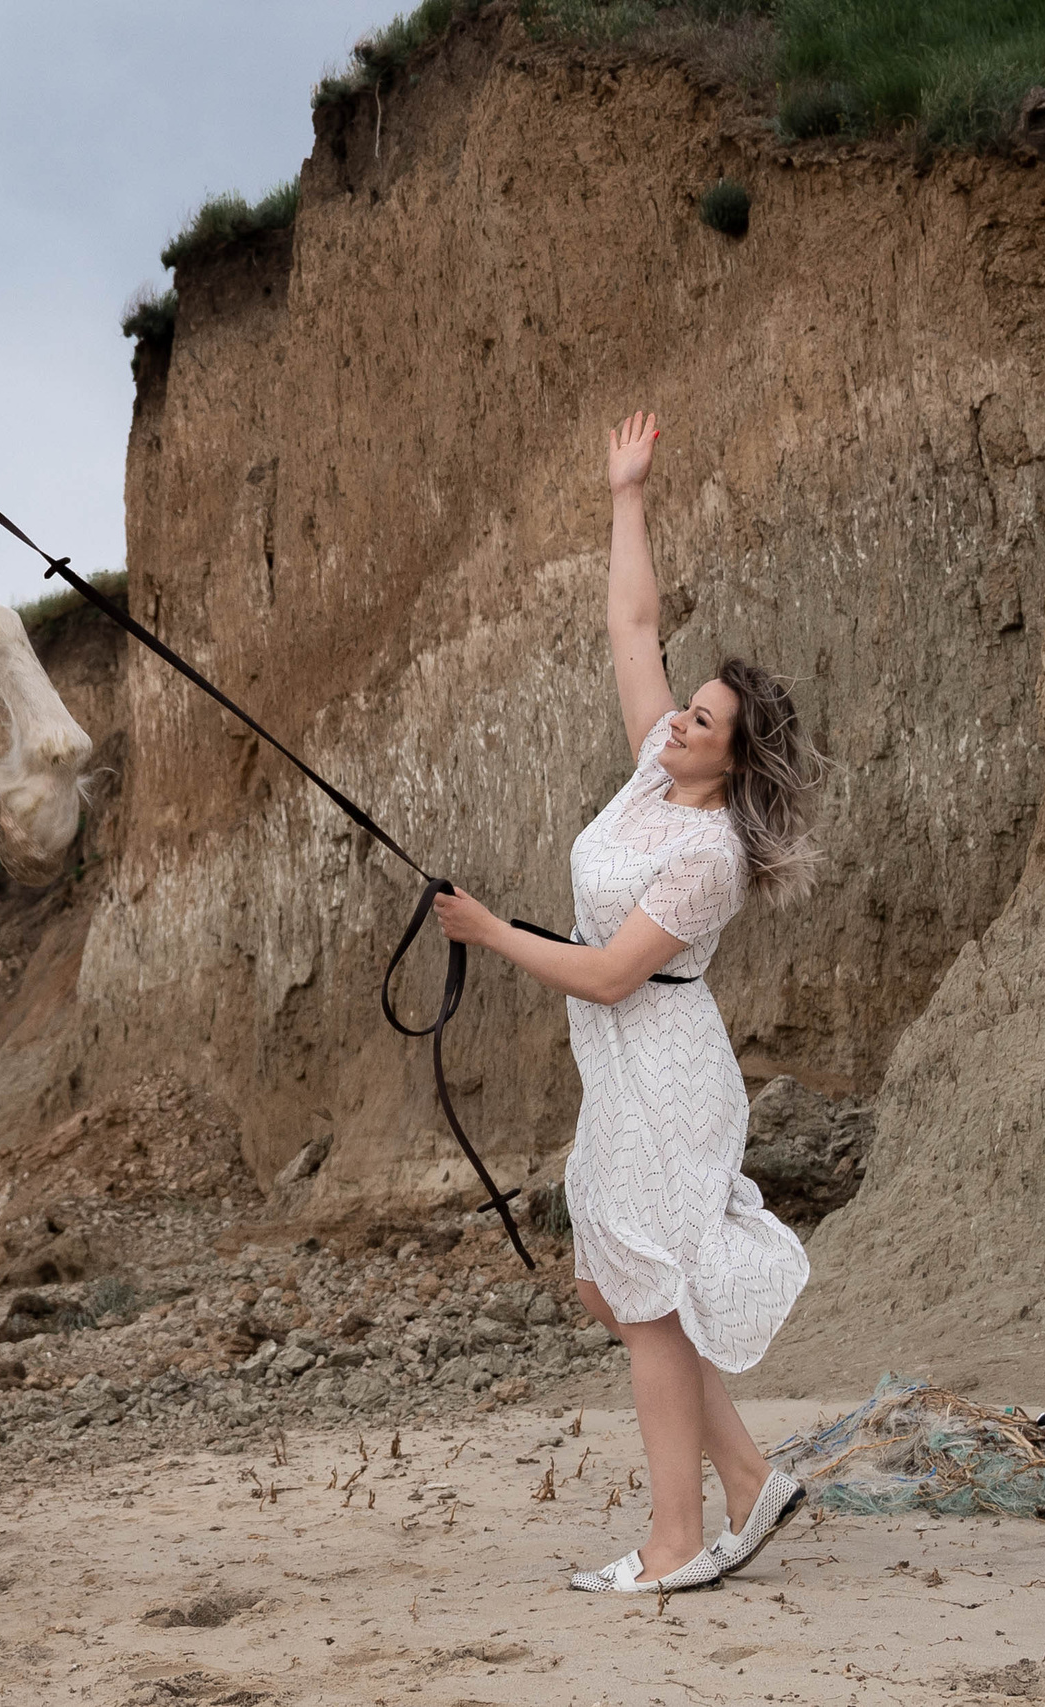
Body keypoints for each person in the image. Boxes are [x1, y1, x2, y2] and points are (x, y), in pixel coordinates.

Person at [430, 410, 824, 1594]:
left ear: (732, 760)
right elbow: (632, 624)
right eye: (684, 709)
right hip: (620, 1067)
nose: (675, 723)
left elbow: (609, 976)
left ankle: (674, 1543)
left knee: (646, 1304)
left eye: (700, 721)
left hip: (664, 1070)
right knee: (611, 1287)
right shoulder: (655, 771)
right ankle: (749, 1479)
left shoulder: (708, 855)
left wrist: (490, 933)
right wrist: (626, 496)